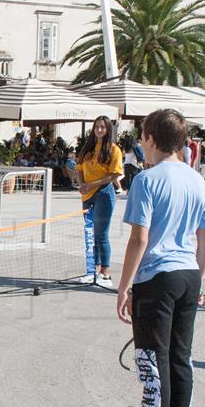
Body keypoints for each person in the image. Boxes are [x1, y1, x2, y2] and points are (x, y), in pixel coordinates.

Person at [103, 109, 205, 407]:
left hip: (157, 278)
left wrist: (124, 287)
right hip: (188, 275)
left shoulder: (146, 181)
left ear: (150, 139)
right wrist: (197, 279)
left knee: (152, 363)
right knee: (181, 359)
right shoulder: (198, 182)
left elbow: (140, 239)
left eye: (142, 139)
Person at [76, 115, 123, 288]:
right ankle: (92, 271)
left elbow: (114, 174)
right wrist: (82, 185)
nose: (99, 130)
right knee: (90, 234)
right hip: (87, 195)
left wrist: (91, 184)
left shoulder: (113, 149)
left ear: (108, 129)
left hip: (104, 194)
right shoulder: (87, 149)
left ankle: (105, 272)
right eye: (97, 127)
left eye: (103, 127)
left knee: (101, 234)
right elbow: (79, 169)